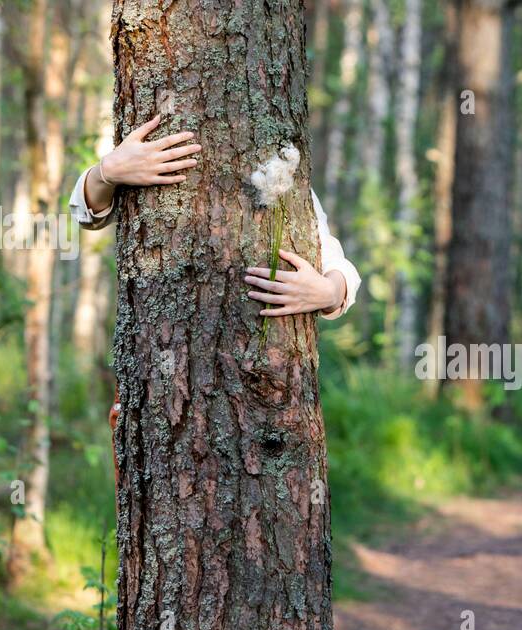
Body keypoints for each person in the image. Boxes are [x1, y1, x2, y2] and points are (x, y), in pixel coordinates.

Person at [68, 114, 362, 482]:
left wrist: (331, 290)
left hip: (262, 398)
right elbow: (86, 210)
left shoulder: (276, 164)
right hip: (163, 384)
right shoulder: (158, 142)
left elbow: (338, 264)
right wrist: (106, 172)